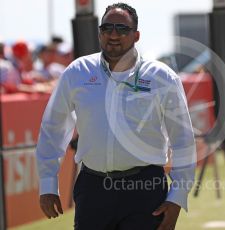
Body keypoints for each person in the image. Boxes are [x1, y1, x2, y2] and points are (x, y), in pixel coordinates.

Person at [35, 3, 196, 230]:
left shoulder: (162, 77)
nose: (113, 34)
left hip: (145, 188)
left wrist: (177, 196)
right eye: (107, 28)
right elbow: (53, 128)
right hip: (93, 188)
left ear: (136, 35)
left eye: (122, 29)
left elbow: (183, 140)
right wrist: (48, 184)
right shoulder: (77, 72)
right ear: (99, 32)